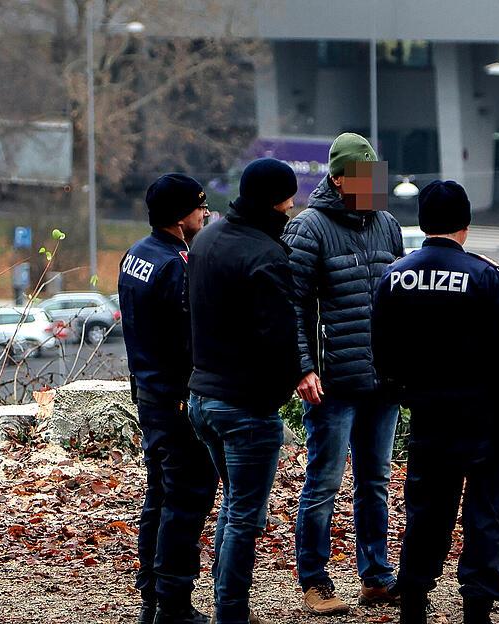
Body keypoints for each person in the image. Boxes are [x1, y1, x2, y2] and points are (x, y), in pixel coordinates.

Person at [371, 180, 499, 624]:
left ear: (423, 222)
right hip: (483, 415)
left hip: (428, 414)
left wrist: (404, 392)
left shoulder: (395, 276)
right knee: (485, 511)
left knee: (426, 511)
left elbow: (381, 348)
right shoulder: (482, 276)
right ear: (466, 223)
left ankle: (413, 600)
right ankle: (477, 605)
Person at [281, 132, 405, 614]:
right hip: (332, 383)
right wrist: (303, 367)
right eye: (364, 177)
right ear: (338, 179)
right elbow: (292, 305)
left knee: (375, 483)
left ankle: (376, 577)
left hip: (383, 381)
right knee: (324, 483)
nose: (375, 185)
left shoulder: (387, 224)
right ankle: (314, 581)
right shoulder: (308, 228)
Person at [187, 158, 303, 624]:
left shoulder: (206, 238)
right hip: (246, 405)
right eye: (288, 200)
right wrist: (279, 393)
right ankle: (231, 611)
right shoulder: (267, 256)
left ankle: (226, 602)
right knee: (244, 516)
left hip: (202, 396)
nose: (292, 208)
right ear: (273, 202)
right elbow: (281, 338)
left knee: (233, 503)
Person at [118, 174, 219, 624]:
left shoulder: (136, 254)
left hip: (149, 393)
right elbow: (189, 338)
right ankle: (174, 603)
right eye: (200, 207)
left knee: (159, 495)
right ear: (180, 218)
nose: (205, 213)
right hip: (178, 399)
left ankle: (152, 596)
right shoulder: (178, 265)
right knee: (187, 498)